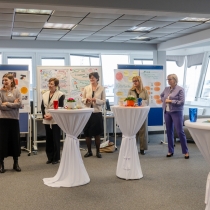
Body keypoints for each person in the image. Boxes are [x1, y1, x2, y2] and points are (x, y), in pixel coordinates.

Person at [160, 74, 189, 159]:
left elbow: (182, 102)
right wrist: (164, 101)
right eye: (167, 79)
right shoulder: (166, 89)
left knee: (180, 131)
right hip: (167, 112)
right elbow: (161, 96)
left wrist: (171, 101)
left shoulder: (180, 89)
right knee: (169, 131)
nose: (168, 81)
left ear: (175, 80)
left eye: (170, 79)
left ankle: (185, 151)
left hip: (177, 112)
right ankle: (170, 150)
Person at [0, 73, 22, 173]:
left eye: (6, 80)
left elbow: (20, 104)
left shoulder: (17, 91)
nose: (4, 82)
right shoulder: (0, 91)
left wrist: (7, 103)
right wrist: (13, 104)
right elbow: (0, 106)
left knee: (15, 141)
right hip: (3, 120)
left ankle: (15, 163)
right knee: (2, 141)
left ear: (11, 81)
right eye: (3, 80)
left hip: (14, 119)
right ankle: (1, 164)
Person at [41, 78, 65, 164]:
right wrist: (44, 115)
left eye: (51, 84)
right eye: (49, 84)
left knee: (56, 139)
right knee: (49, 139)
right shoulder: (45, 94)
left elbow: (61, 107)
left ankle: (56, 158)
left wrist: (52, 115)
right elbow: (42, 107)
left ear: (56, 85)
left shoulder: (60, 95)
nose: (49, 85)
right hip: (46, 119)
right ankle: (50, 157)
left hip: (55, 120)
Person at [82, 72, 106, 158]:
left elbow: (104, 101)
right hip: (87, 113)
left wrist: (96, 100)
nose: (92, 79)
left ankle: (98, 152)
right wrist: (86, 100)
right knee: (87, 133)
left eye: (93, 77)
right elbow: (82, 99)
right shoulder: (86, 88)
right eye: (90, 78)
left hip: (97, 113)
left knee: (97, 134)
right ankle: (89, 151)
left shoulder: (101, 88)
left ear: (97, 78)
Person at [128, 76, 149, 155]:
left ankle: (142, 148)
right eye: (133, 81)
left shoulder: (144, 91)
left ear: (140, 81)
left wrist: (141, 102)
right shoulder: (130, 91)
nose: (135, 82)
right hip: (133, 113)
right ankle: (134, 148)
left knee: (143, 131)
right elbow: (128, 101)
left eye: (136, 81)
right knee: (134, 130)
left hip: (142, 113)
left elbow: (147, 102)